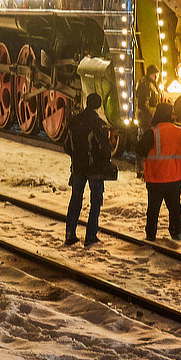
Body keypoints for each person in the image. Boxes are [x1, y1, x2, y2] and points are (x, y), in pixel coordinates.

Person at [63, 92, 113, 247]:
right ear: (98, 105)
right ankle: (90, 235)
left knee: (75, 199)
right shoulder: (98, 124)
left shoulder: (75, 121)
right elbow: (105, 149)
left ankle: (70, 234)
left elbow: (66, 146)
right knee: (96, 201)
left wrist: (76, 157)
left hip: (78, 167)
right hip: (94, 169)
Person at [134, 101, 181, 241]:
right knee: (175, 208)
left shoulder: (152, 132)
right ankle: (177, 233)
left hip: (156, 178)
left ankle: (151, 235)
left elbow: (139, 150)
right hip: (175, 177)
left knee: (153, 209)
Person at [133, 66, 161, 179]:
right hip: (145, 120)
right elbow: (143, 104)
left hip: (148, 119)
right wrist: (154, 113)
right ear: (151, 74)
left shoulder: (151, 85)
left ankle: (147, 169)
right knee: (144, 144)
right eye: (155, 74)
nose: (157, 77)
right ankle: (141, 169)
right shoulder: (145, 85)